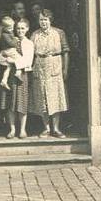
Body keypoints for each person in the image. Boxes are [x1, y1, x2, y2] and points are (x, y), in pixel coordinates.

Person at [29, 9, 70, 138]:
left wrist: (65, 69)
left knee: (56, 97)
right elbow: (29, 53)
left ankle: (56, 128)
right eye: (41, 20)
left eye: (45, 20)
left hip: (54, 65)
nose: (43, 22)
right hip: (39, 66)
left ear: (50, 20)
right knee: (42, 98)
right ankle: (46, 128)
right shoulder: (34, 35)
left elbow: (66, 51)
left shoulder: (59, 33)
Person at [0, 19, 34, 139]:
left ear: (27, 29)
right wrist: (6, 60)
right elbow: (2, 56)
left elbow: (28, 61)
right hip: (11, 75)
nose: (20, 31)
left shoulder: (29, 43)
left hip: (22, 74)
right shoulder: (11, 40)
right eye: (18, 28)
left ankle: (23, 129)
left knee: (21, 102)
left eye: (22, 28)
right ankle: (12, 129)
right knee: (11, 102)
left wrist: (14, 61)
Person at [0, 15, 23, 90]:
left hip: (7, 51)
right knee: (19, 59)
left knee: (8, 67)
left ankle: (4, 80)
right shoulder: (4, 35)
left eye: (12, 27)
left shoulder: (9, 32)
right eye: (9, 28)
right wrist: (16, 39)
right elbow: (11, 44)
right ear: (4, 28)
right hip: (8, 51)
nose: (11, 29)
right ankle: (18, 72)